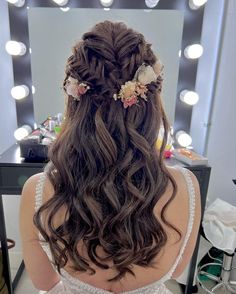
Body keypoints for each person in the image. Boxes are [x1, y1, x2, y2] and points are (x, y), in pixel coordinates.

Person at [19, 21, 201, 294]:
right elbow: (175, 270)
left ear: (75, 99)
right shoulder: (185, 187)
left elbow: (44, 283)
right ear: (150, 101)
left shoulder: (38, 190)